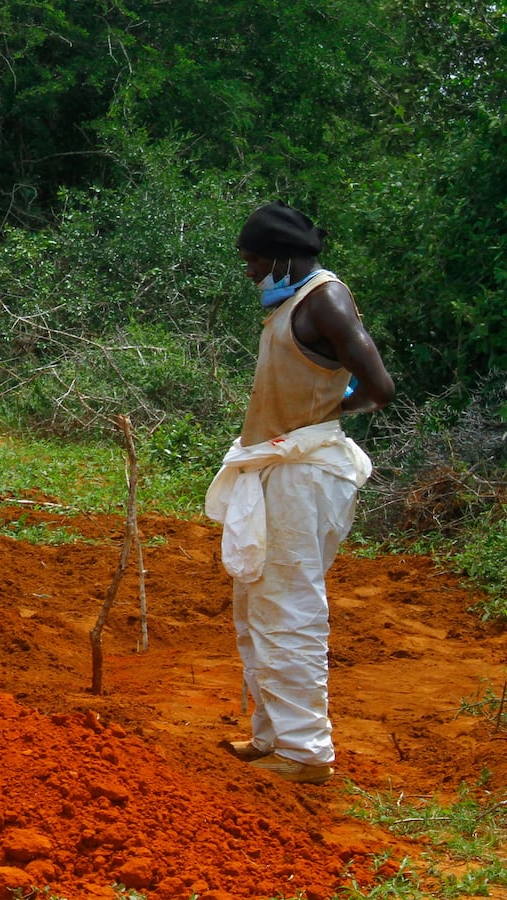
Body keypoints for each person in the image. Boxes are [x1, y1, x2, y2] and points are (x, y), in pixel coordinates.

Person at [206, 200, 394, 784]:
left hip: (304, 472)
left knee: (288, 610)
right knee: (257, 604)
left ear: (282, 256)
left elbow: (379, 386)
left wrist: (317, 417)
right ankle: (273, 736)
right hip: (282, 470)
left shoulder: (326, 300)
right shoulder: (291, 302)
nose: (248, 271)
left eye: (253, 259)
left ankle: (306, 753)